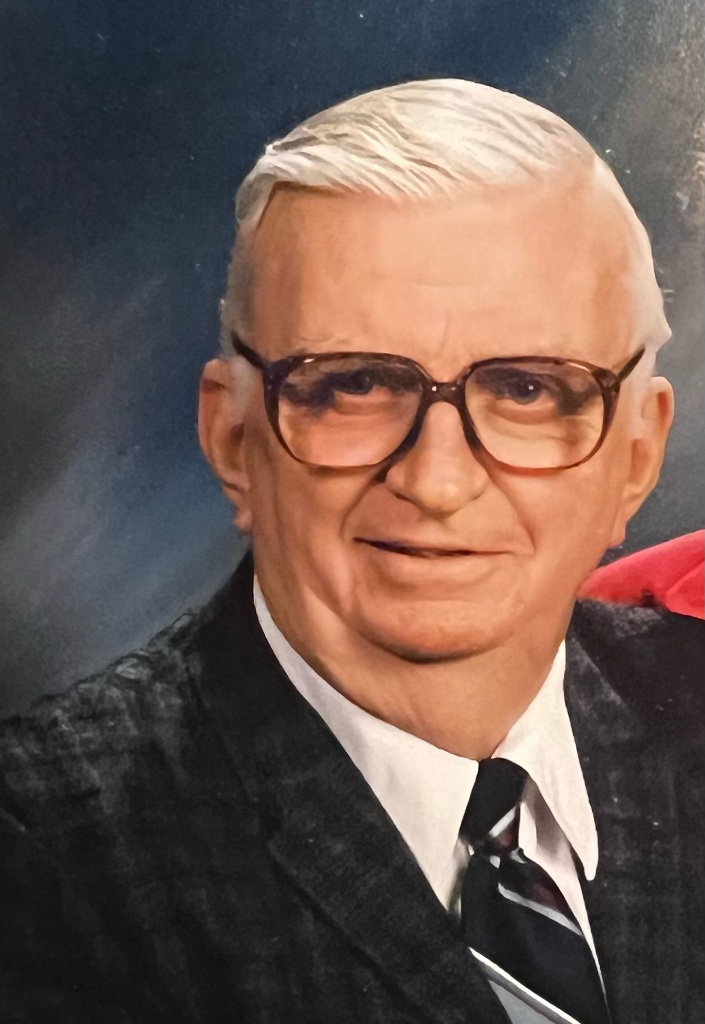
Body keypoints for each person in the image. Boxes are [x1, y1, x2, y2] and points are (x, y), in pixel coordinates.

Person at [1, 79, 703, 1024]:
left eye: (527, 389)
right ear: (231, 439)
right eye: (355, 385)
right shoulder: (45, 857)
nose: (437, 480)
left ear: (636, 457)